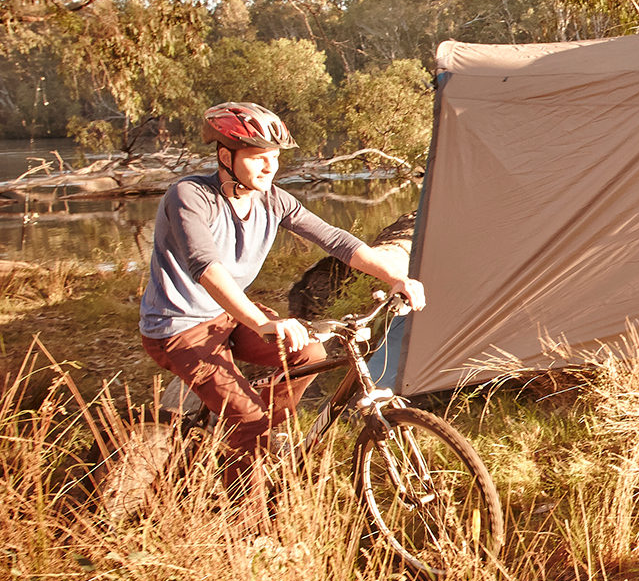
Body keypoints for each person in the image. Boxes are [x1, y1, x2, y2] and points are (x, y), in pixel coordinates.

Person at [139, 102, 425, 525]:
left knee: (308, 355)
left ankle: (258, 438)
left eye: (275, 157)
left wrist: (397, 278)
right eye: (258, 156)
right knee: (249, 420)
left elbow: (338, 241)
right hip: (178, 325)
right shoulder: (189, 196)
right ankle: (245, 522)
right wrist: (262, 321)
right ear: (225, 156)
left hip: (230, 316)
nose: (270, 166)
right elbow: (206, 268)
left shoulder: (273, 200)